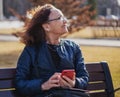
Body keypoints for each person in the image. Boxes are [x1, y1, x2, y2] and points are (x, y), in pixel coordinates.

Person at [15, 4, 89, 97]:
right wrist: (43, 85)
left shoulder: (73, 47)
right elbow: (20, 83)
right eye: (59, 18)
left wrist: (74, 83)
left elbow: (84, 78)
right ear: (47, 27)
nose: (65, 21)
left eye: (63, 17)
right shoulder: (31, 50)